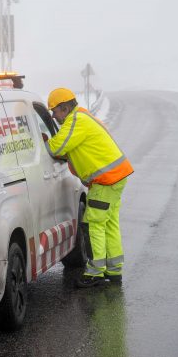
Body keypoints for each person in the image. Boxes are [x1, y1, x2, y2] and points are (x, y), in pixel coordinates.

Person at [46, 88, 133, 288]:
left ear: (65, 107)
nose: (53, 116)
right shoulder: (81, 117)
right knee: (108, 224)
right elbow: (71, 152)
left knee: (93, 224)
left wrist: (45, 143)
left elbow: (55, 148)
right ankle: (114, 270)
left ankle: (95, 273)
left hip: (106, 180)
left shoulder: (76, 121)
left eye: (54, 111)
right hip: (114, 178)